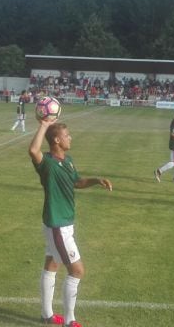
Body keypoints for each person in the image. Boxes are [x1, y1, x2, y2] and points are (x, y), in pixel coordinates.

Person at [29, 120, 113, 327]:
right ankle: (69, 321)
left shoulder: (68, 160)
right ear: (57, 140)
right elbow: (33, 150)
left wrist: (96, 180)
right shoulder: (46, 163)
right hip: (58, 224)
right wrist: (44, 125)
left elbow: (76, 181)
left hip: (63, 223)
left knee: (52, 264)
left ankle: (47, 315)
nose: (71, 137)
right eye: (67, 135)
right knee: (77, 271)